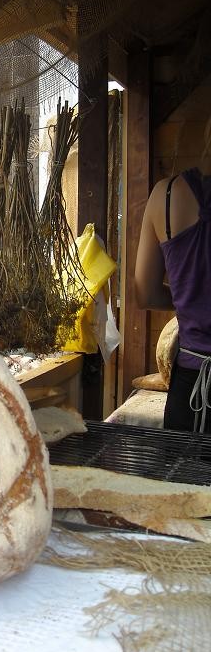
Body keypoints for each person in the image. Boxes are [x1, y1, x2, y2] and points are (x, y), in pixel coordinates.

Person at [135, 130, 211, 433]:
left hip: (191, 389)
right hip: (192, 387)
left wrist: (188, 303)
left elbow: (145, 293)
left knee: (177, 480)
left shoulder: (164, 196)